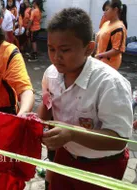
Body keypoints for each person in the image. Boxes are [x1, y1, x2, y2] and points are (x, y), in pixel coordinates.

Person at [38, 7, 132, 190]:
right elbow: (47, 104)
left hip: (103, 165)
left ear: (89, 48)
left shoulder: (110, 84)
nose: (56, 57)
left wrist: (73, 133)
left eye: (64, 50)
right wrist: (36, 122)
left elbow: (119, 139)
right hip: (65, 155)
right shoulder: (51, 74)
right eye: (51, 49)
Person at [95, 0, 127, 70]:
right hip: (100, 61)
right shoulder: (106, 23)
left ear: (115, 10)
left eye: (106, 10)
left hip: (109, 65)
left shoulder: (119, 27)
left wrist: (100, 55)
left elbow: (117, 50)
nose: (104, 12)